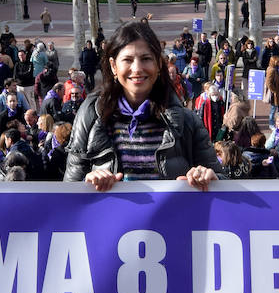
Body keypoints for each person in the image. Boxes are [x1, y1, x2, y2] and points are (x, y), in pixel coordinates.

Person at [65, 20, 221, 191]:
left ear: (158, 64)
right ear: (113, 66)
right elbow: (69, 189)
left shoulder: (187, 121)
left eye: (146, 59)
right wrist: (87, 183)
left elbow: (223, 183)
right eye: (127, 60)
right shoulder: (90, 116)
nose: (137, 68)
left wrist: (209, 178)